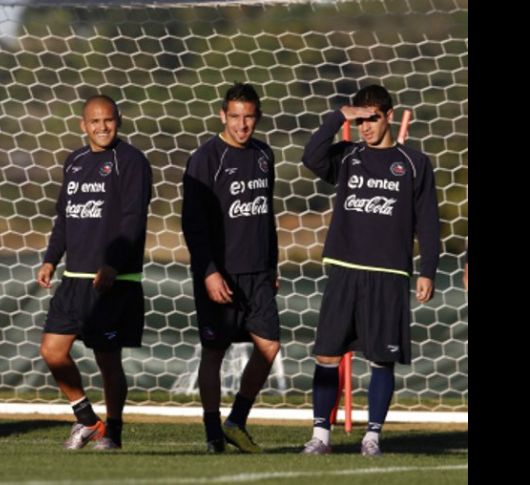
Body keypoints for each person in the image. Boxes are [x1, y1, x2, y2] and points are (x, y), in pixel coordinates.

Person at [300, 84, 440, 456]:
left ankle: (372, 437)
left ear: (389, 116)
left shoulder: (413, 163)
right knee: (327, 355)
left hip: (389, 273)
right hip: (345, 268)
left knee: (381, 357)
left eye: (372, 118)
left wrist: (428, 270)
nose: (365, 127)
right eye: (360, 119)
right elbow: (310, 156)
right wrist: (337, 117)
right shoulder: (347, 156)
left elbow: (428, 221)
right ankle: (320, 437)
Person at [37, 95, 152, 450]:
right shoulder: (75, 162)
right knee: (52, 351)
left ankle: (113, 432)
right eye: (95, 122)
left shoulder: (131, 161)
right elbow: (64, 218)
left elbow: (134, 219)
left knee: (107, 360)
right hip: (75, 279)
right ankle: (87, 419)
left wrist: (114, 264)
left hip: (113, 280)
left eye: (109, 121)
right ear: (82, 125)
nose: (102, 128)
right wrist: (51, 258)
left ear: (118, 120)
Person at [181, 83, 281, 454]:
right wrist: (209, 271)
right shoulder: (205, 158)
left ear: (257, 117)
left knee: (269, 346)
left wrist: (272, 263)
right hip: (220, 272)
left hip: (258, 273)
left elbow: (266, 215)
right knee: (214, 351)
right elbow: (192, 224)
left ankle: (236, 421)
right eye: (235, 117)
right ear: (223, 115)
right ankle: (212, 432)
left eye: (249, 117)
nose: (242, 125)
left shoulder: (263, 155)